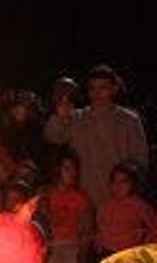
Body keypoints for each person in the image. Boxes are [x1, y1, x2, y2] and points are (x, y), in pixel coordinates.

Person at [46, 65, 149, 203]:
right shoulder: (77, 117)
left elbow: (140, 161)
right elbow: (53, 137)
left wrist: (132, 197)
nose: (97, 93)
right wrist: (60, 116)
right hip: (83, 198)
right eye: (92, 88)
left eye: (103, 88)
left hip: (119, 200)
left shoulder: (129, 120)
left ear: (114, 89)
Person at [40, 153, 94, 263]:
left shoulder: (80, 197)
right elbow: (40, 220)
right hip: (51, 245)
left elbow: (86, 225)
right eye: (67, 169)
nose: (72, 173)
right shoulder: (46, 194)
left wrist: (83, 250)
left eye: (74, 170)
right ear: (57, 170)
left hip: (71, 244)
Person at [94, 162, 157, 257]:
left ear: (132, 184)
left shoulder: (139, 205)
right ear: (110, 185)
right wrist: (98, 242)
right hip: (107, 252)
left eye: (123, 181)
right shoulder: (105, 206)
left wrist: (145, 244)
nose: (118, 185)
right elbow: (100, 228)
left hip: (128, 253)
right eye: (114, 181)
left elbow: (154, 227)